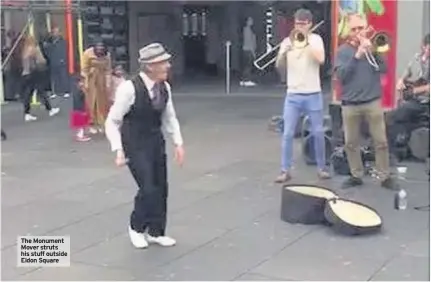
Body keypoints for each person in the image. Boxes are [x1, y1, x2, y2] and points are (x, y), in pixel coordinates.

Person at [105, 43, 185, 249]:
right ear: (151, 66)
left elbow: (170, 117)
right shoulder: (129, 88)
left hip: (155, 141)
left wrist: (178, 143)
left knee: (161, 187)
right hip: (134, 143)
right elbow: (112, 121)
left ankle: (156, 231)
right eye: (164, 62)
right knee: (148, 187)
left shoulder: (164, 88)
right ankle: (136, 227)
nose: (168, 66)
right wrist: (118, 150)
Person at [334, 13, 397, 190]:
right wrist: (357, 56)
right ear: (349, 31)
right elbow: (342, 76)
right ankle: (356, 175)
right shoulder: (343, 51)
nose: (357, 32)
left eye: (360, 28)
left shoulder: (374, 47)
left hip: (372, 101)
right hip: (350, 103)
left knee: (381, 141)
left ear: (366, 27)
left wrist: (373, 52)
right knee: (351, 143)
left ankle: (384, 176)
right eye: (353, 29)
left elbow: (384, 69)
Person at [274, 9, 330, 183]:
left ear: (310, 24)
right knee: (288, 133)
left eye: (303, 23)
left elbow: (321, 60)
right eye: (297, 23)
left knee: (318, 132)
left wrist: (305, 43)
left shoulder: (316, 40)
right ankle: (285, 170)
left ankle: (321, 168)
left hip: (313, 93)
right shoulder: (287, 41)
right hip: (293, 94)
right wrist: (284, 52)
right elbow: (279, 67)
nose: (300, 26)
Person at [20, 35, 60, 122]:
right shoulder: (35, 49)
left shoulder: (25, 51)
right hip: (34, 73)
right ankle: (50, 109)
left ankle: (27, 113)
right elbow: (41, 60)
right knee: (41, 91)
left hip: (25, 74)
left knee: (28, 94)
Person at [81, 41, 112, 134]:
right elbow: (83, 69)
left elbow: (108, 70)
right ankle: (82, 129)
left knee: (102, 103)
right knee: (86, 104)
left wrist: (108, 83)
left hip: (100, 81)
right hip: (88, 79)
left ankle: (100, 123)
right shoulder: (87, 53)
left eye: (102, 48)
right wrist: (85, 83)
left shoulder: (107, 55)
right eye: (98, 47)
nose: (99, 49)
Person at [47, 27, 70, 98]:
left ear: (59, 33)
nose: (55, 34)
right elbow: (48, 52)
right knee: (54, 78)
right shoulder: (50, 42)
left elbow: (64, 51)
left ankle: (65, 91)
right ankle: (54, 92)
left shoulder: (63, 42)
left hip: (61, 61)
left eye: (56, 32)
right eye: (54, 32)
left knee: (63, 77)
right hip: (53, 62)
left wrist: (63, 59)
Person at [70, 74, 91, 142]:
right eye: (82, 82)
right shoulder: (79, 91)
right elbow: (79, 101)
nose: (83, 83)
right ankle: (80, 136)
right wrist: (83, 110)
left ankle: (81, 135)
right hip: (80, 109)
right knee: (81, 124)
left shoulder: (76, 90)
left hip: (78, 109)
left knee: (81, 124)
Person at [240, 17, 257, 87]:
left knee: (246, 66)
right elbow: (249, 42)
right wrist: (253, 52)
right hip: (248, 50)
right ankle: (247, 80)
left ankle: (244, 80)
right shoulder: (247, 30)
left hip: (246, 49)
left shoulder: (247, 29)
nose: (252, 21)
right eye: (250, 20)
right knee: (248, 66)